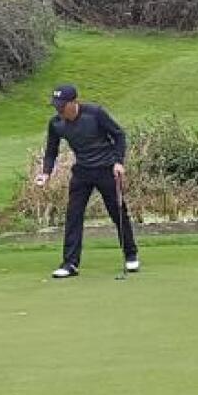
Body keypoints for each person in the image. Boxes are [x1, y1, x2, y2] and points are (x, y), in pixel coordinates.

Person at [35, 83, 140, 279]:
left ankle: (131, 254)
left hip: (107, 169)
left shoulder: (95, 113)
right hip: (82, 172)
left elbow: (118, 135)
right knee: (73, 215)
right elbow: (51, 151)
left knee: (118, 212)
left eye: (62, 105)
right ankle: (70, 264)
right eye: (56, 105)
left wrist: (118, 162)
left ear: (74, 102)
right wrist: (46, 173)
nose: (58, 109)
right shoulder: (56, 123)